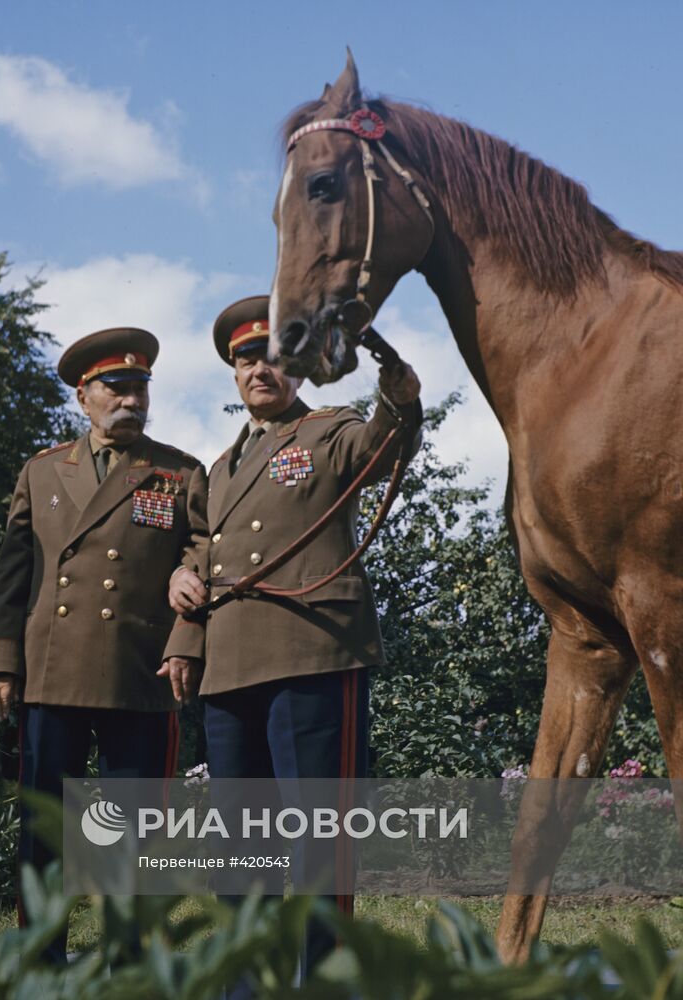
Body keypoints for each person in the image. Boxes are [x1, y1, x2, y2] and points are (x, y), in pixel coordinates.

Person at [169, 295, 422, 988]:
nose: (261, 369)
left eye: (274, 357)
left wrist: (397, 399)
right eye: (247, 359)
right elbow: (202, 553)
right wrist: (180, 589)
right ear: (233, 371)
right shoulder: (217, 469)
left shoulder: (326, 431)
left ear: (296, 368)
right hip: (229, 668)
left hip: (314, 653)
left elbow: (381, 446)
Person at [0, 326, 206, 963]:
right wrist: (3, 660)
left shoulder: (178, 472)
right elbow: (13, 573)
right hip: (51, 672)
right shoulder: (44, 470)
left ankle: (130, 960)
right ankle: (41, 954)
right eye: (116, 388)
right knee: (45, 829)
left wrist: (185, 642)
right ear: (85, 397)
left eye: (139, 387)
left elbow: (204, 561)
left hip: (139, 674)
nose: (130, 398)